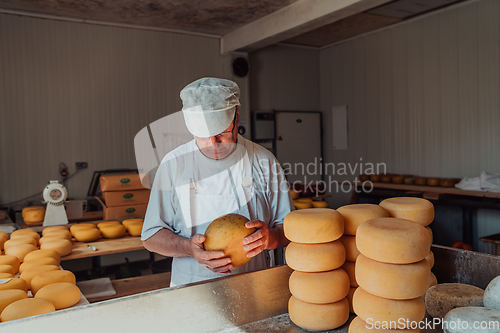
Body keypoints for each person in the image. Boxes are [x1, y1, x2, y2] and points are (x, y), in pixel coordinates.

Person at [141, 77, 293, 287]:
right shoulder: (173, 165)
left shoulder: (263, 161)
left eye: (221, 133)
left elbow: (290, 229)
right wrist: (188, 248)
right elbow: (151, 236)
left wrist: (271, 238)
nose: (213, 144)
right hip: (192, 290)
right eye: (203, 136)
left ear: (237, 115)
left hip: (255, 287)